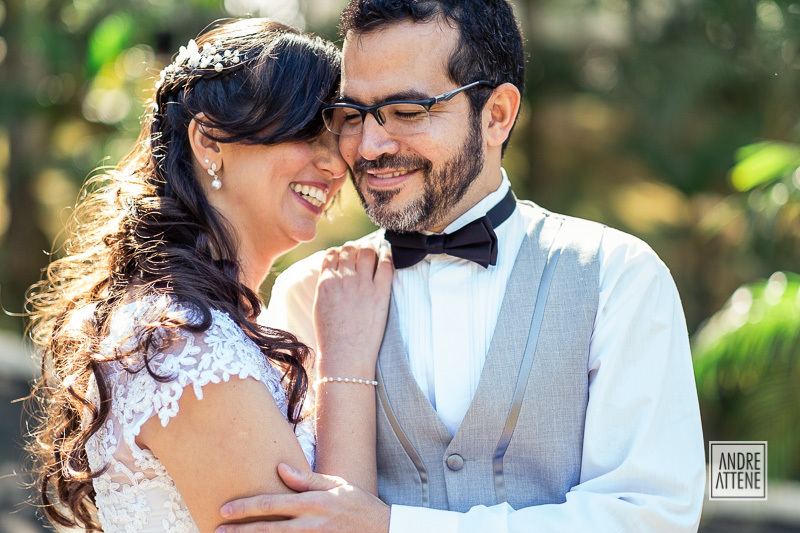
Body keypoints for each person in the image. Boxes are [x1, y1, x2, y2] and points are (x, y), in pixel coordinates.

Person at [215, 1, 707, 532]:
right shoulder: (308, 294)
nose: (370, 146)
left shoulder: (620, 278)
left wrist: (394, 527)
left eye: (407, 111)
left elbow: (649, 516)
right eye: (353, 115)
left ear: (496, 115)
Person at [25, 18, 392, 533]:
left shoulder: (205, 323)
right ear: (209, 139)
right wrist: (348, 358)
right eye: (307, 130)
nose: (336, 164)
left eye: (338, 135)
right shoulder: (184, 346)